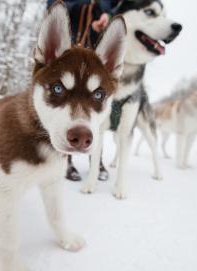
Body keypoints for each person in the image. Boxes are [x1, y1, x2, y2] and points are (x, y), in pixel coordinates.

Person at [47, 0, 121, 181]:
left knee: (94, 104)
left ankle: (96, 159)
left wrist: (107, 15)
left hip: (99, 39)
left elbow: (116, 6)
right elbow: (53, 5)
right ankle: (66, 159)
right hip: (70, 35)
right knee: (68, 98)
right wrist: (79, 9)